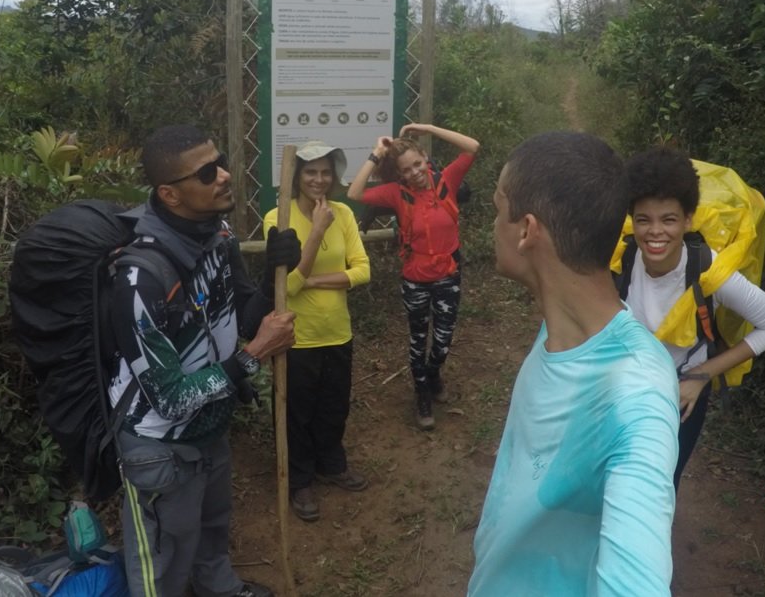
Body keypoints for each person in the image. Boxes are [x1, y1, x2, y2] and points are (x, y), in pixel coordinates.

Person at [468, 131, 678, 596]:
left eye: (497, 209)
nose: (493, 225)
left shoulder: (635, 395)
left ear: (527, 231)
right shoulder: (560, 324)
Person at [108, 125, 300, 597]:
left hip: (211, 420)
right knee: (164, 557)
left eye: (221, 163)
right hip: (161, 444)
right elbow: (170, 399)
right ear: (170, 194)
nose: (225, 176)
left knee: (213, 524)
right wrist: (255, 355)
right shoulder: (139, 280)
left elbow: (243, 312)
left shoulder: (218, 234)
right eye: (207, 173)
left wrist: (275, 272)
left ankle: (220, 588)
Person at [621, 146, 765, 486]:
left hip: (678, 395)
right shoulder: (623, 257)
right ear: (632, 220)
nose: (655, 232)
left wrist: (702, 376)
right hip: (624, 386)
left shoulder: (708, 270)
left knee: (659, 485)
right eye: (644, 220)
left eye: (669, 219)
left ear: (688, 219)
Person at [262, 141, 371, 522]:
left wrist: (310, 280)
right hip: (297, 335)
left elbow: (362, 270)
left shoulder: (344, 213)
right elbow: (285, 287)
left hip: (337, 330)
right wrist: (316, 232)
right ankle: (300, 479)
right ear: (296, 177)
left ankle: (331, 463)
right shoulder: (278, 218)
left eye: (326, 172)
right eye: (311, 172)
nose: (319, 180)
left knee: (334, 405)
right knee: (297, 411)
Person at [346, 122, 479, 429]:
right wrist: (377, 154)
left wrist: (427, 128)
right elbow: (355, 192)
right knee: (418, 338)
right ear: (400, 174)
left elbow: (472, 147)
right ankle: (422, 394)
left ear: (424, 158)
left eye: (417, 164)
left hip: (447, 274)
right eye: (406, 170)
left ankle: (433, 373)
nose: (415, 173)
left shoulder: (446, 180)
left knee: (443, 340)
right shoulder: (397, 194)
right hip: (415, 279)